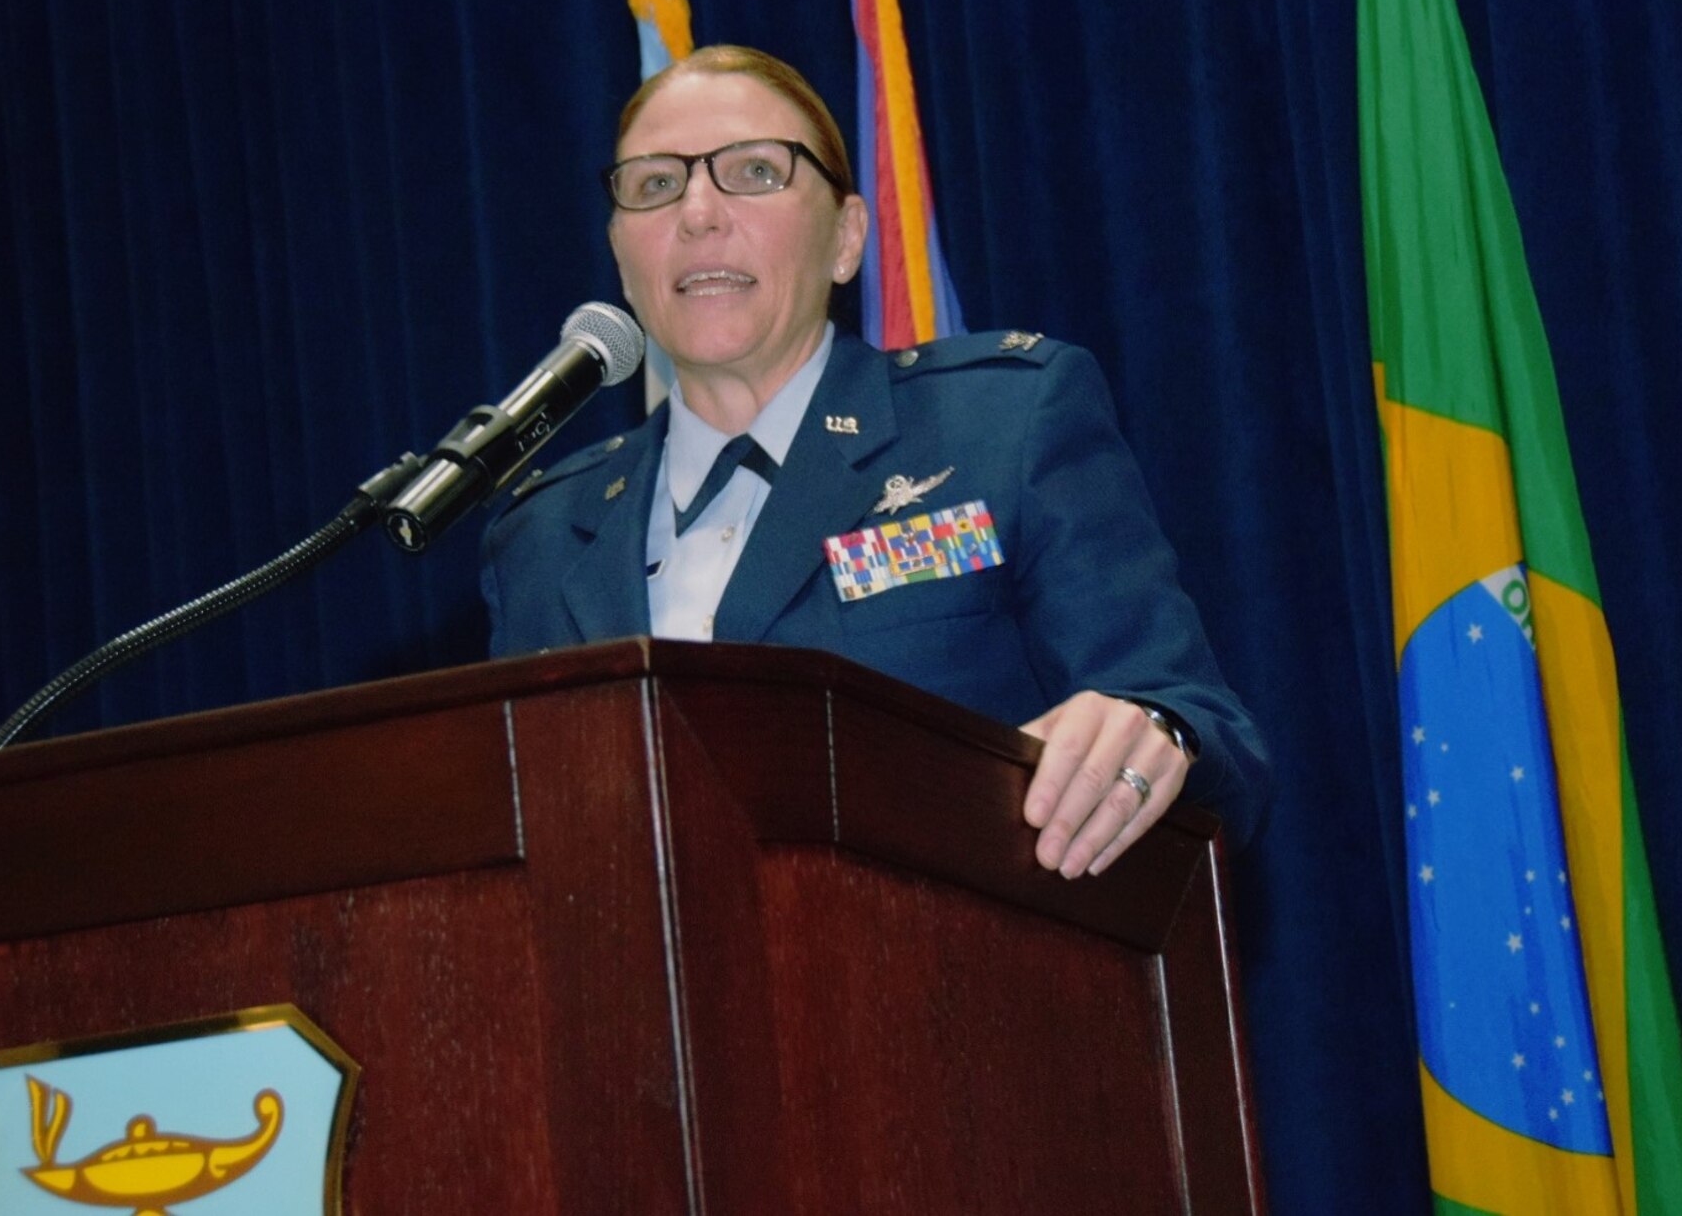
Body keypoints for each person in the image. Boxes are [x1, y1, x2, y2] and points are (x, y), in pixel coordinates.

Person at [481, 45, 1268, 870]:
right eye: (655, 184)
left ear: (848, 238)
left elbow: (1206, 731)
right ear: (620, 254)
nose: (699, 212)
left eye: (753, 171)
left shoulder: (1001, 425)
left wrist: (1153, 732)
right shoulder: (538, 536)